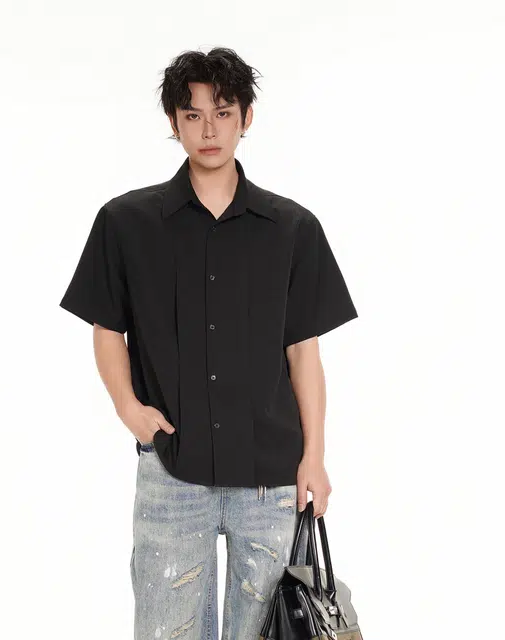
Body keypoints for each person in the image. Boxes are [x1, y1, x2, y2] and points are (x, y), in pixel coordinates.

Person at [59, 46, 358, 640]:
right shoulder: (126, 222)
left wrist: (315, 458)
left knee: (270, 632)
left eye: (222, 113)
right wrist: (130, 410)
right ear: (174, 123)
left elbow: (304, 352)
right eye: (192, 115)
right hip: (174, 471)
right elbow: (107, 328)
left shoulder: (292, 228)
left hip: (271, 479)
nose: (209, 130)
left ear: (247, 117)